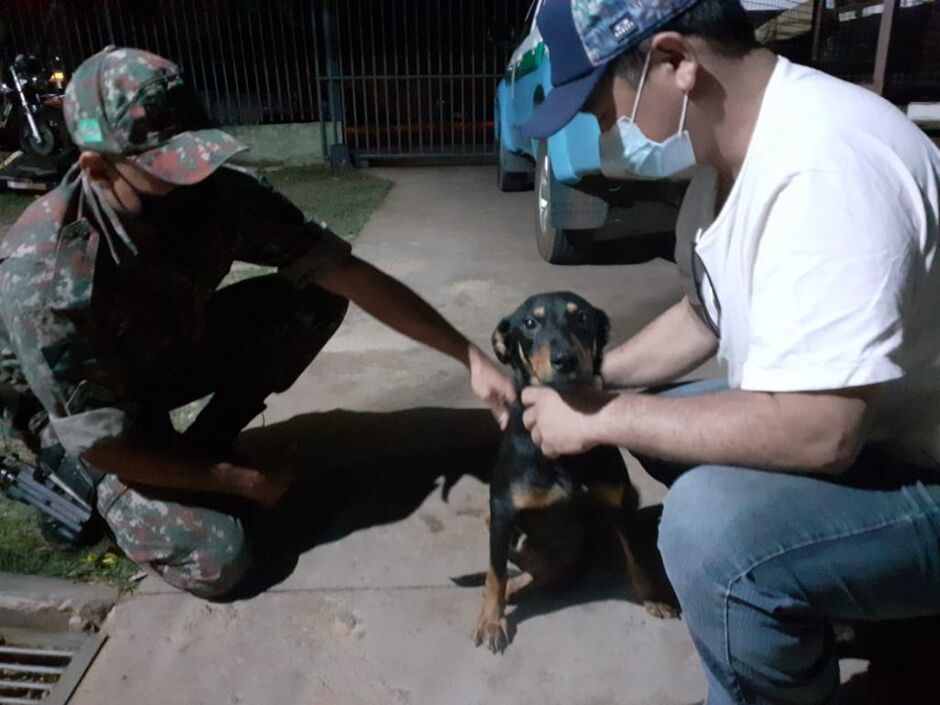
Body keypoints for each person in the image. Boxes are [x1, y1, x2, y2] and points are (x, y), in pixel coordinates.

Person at [517, 1, 940, 703]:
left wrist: (601, 420)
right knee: (669, 426)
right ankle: (828, 603)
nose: (598, 131)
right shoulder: (734, 156)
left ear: (676, 62)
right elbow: (706, 314)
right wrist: (589, 384)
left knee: (708, 528)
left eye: (600, 106)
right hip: (887, 438)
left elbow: (820, 430)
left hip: (922, 475)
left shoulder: (824, 167)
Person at [0, 47, 514, 598]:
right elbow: (104, 444)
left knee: (312, 299)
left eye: (195, 156)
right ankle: (144, 489)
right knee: (220, 560)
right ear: (98, 169)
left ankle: (205, 445)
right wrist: (242, 482)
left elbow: (346, 273)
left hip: (165, 353)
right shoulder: (47, 272)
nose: (195, 180)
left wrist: (471, 358)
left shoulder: (215, 194)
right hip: (91, 422)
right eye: (167, 170)